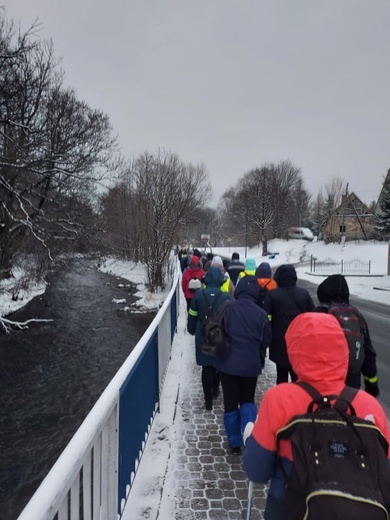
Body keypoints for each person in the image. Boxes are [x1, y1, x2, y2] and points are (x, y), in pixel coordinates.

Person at [243, 313, 390, 520]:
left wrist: (251, 438)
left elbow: (257, 471)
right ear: (343, 350)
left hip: (290, 510)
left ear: (294, 350)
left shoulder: (279, 400)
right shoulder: (370, 406)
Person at [214, 275, 271, 455]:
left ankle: (234, 443)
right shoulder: (261, 314)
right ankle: (249, 435)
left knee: (230, 403)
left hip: (227, 364)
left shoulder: (227, 308)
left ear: (238, 290)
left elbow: (217, 329)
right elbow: (266, 340)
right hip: (250, 366)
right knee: (247, 400)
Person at [315, 273, 379, 395]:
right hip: (351, 387)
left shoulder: (316, 315)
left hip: (321, 385)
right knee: (348, 412)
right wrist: (372, 383)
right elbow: (368, 353)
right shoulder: (356, 316)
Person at [187, 267, 232, 410]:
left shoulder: (198, 295)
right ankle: (216, 389)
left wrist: (191, 330)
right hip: (220, 336)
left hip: (203, 336)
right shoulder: (226, 297)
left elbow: (192, 316)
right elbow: (230, 319)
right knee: (217, 364)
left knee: (206, 367)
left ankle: (208, 401)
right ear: (220, 280)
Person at [263, 264, 314, 384]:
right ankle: (299, 399)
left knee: (281, 375)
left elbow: (266, 318)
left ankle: (282, 399)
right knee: (298, 376)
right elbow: (313, 316)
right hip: (300, 341)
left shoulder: (272, 295)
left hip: (279, 341)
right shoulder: (304, 294)